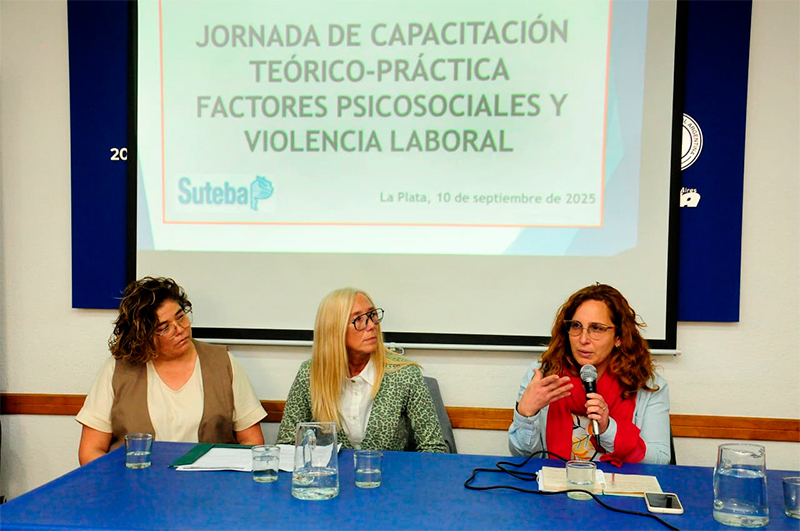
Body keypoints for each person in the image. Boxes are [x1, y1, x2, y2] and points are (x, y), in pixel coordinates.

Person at [76, 277, 266, 465]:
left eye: (181, 317)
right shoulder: (118, 369)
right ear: (143, 336)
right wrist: (122, 478)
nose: (179, 329)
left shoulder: (222, 363)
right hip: (135, 482)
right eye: (164, 327)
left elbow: (252, 441)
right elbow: (90, 451)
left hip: (210, 482)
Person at [508, 284, 671, 465]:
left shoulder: (647, 385)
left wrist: (608, 429)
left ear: (619, 337)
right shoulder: (543, 376)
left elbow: (660, 460)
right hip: (556, 481)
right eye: (576, 326)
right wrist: (526, 414)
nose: (583, 339)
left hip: (617, 482)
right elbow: (522, 456)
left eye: (597, 328)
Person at [277, 288, 447, 452]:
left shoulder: (405, 375)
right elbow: (287, 444)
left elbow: (433, 448)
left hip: (390, 471)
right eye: (358, 319)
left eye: (372, 315)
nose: (372, 325)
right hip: (331, 472)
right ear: (334, 330)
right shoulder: (310, 374)